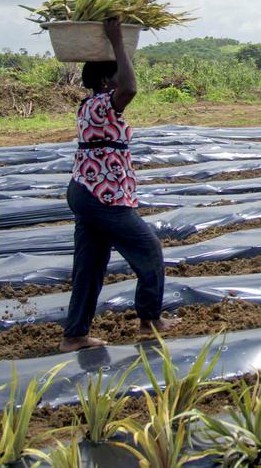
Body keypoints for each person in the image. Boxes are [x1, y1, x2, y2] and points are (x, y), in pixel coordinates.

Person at [61, 18, 178, 352]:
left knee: (90, 265)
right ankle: (149, 319)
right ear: (104, 80)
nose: (121, 78)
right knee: (150, 250)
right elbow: (130, 87)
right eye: (115, 73)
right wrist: (117, 42)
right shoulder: (102, 103)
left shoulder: (92, 107)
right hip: (102, 197)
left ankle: (75, 334)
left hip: (87, 191)